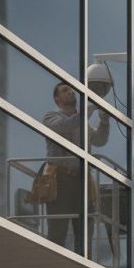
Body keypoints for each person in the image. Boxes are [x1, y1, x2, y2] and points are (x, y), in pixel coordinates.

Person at [43, 83, 108, 250]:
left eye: (71, 89)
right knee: (58, 230)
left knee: (85, 230)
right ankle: (56, 264)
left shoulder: (82, 123)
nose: (71, 91)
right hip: (60, 179)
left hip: (81, 180)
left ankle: (84, 264)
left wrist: (104, 121)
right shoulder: (50, 117)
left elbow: (99, 140)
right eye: (65, 90)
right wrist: (86, 113)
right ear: (57, 99)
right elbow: (63, 126)